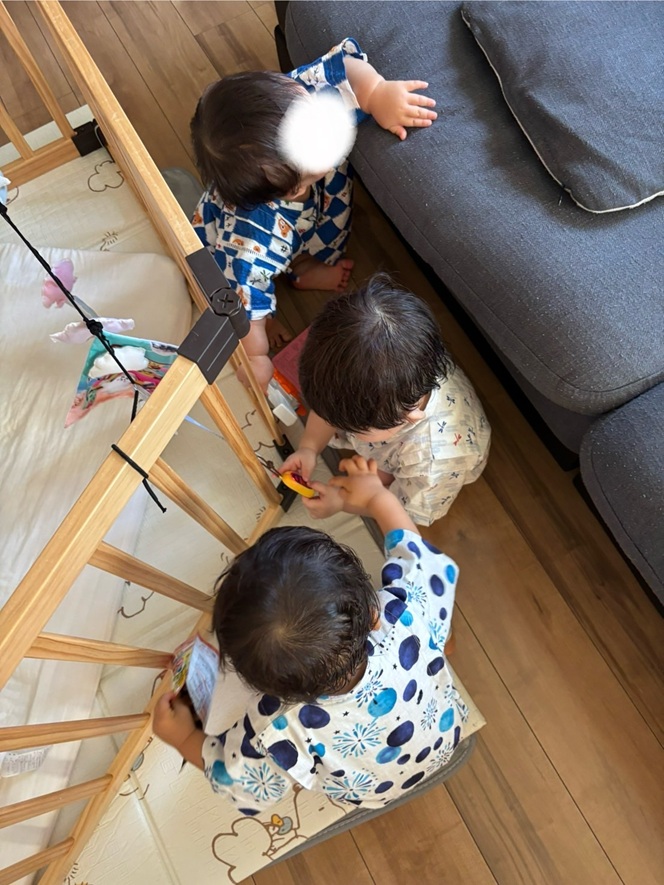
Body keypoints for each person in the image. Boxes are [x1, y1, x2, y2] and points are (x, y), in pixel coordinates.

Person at [153, 455, 469, 812]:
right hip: (447, 733)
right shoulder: (404, 613)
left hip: (375, 792)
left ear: (261, 686)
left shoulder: (275, 726)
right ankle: (444, 642)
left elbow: (244, 782)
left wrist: (183, 737)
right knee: (432, 608)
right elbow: (415, 553)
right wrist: (376, 496)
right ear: (372, 613)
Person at [190, 39, 437, 390]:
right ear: (292, 189)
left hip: (308, 209)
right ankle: (286, 288)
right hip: (244, 248)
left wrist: (376, 92)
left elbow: (342, 70)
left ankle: (303, 268)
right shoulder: (250, 241)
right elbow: (242, 300)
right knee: (254, 298)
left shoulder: (294, 101)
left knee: (327, 230)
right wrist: (257, 357)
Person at [281, 274, 491, 527]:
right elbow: (332, 408)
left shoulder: (433, 461)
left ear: (409, 416)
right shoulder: (401, 368)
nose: (337, 424)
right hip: (390, 428)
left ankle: (384, 473)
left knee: (384, 485)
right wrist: (309, 448)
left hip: (437, 457)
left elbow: (403, 512)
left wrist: (342, 502)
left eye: (354, 427)